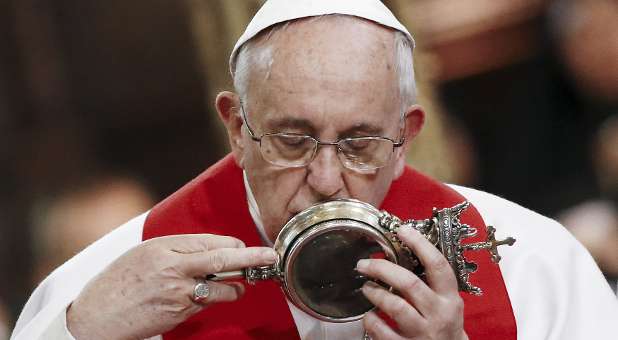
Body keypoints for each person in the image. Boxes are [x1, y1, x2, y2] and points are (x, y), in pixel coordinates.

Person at [11, 1, 618, 339]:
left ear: (406, 136)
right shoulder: (105, 289)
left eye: (359, 143)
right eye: (292, 140)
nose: (326, 179)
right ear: (235, 126)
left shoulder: (535, 264)